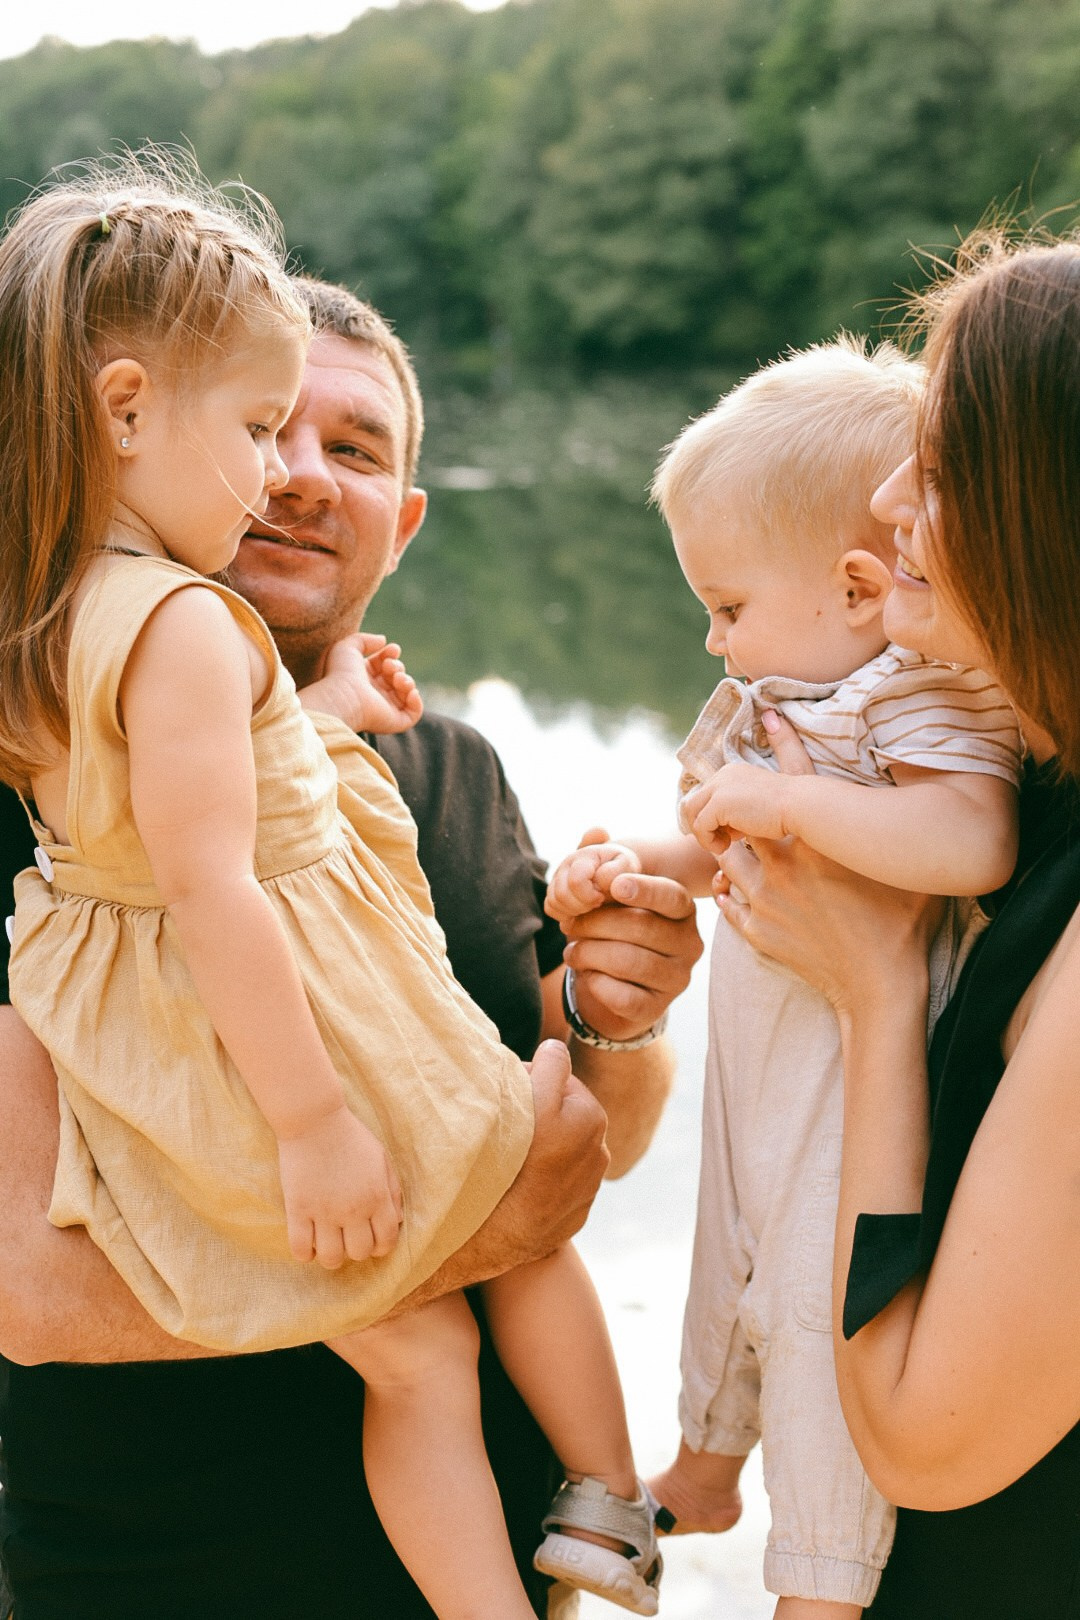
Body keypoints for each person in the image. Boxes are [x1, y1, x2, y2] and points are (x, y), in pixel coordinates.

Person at [0, 234, 701, 1620]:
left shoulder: (449, 768)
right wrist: (476, 1237)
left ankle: (607, 1509)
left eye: (355, 446)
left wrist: (622, 1014)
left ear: (409, 517)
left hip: (480, 1559)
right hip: (162, 1577)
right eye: (266, 427)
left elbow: (584, 1124)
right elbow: (30, 1291)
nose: (296, 473)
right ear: (130, 427)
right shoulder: (44, 781)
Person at [546, 339, 1023, 1617]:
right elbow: (714, 841)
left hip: (860, 1082)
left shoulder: (922, 701)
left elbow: (973, 839)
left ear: (861, 587)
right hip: (760, 1068)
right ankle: (703, 1469)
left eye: (730, 603)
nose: (712, 637)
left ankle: (816, 1581)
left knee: (818, 1317)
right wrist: (621, 866)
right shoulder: (772, 701)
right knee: (728, 1263)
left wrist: (792, 805)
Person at [701, 232, 1080, 1617]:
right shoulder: (1034, 796)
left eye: (943, 452)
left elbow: (926, 1442)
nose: (885, 494)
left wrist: (873, 1002)